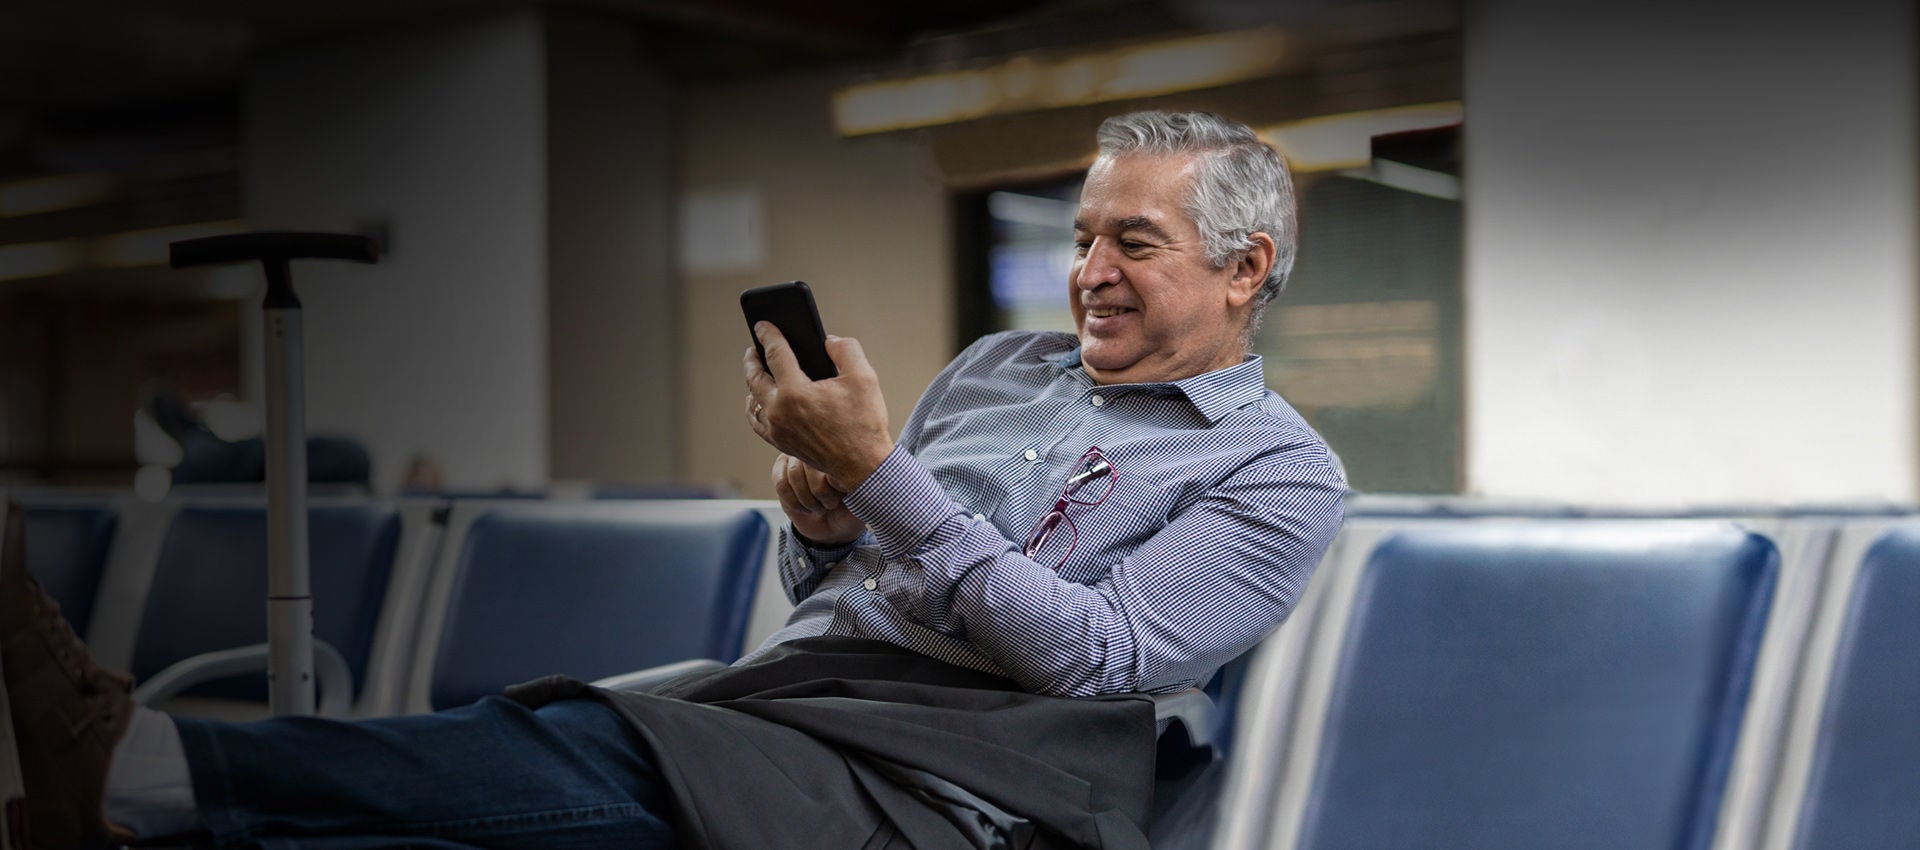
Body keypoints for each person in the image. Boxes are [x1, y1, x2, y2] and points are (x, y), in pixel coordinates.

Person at [0, 110, 1343, 850]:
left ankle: (140, 761)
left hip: (980, 783)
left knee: (581, 747)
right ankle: (143, 794)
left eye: (1136, 242)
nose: (1090, 269)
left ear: (1246, 268)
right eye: (1083, 233)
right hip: (808, 701)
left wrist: (876, 469)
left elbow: (1092, 656)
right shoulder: (1002, 364)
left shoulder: (1279, 472)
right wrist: (821, 519)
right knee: (558, 770)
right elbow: (855, 573)